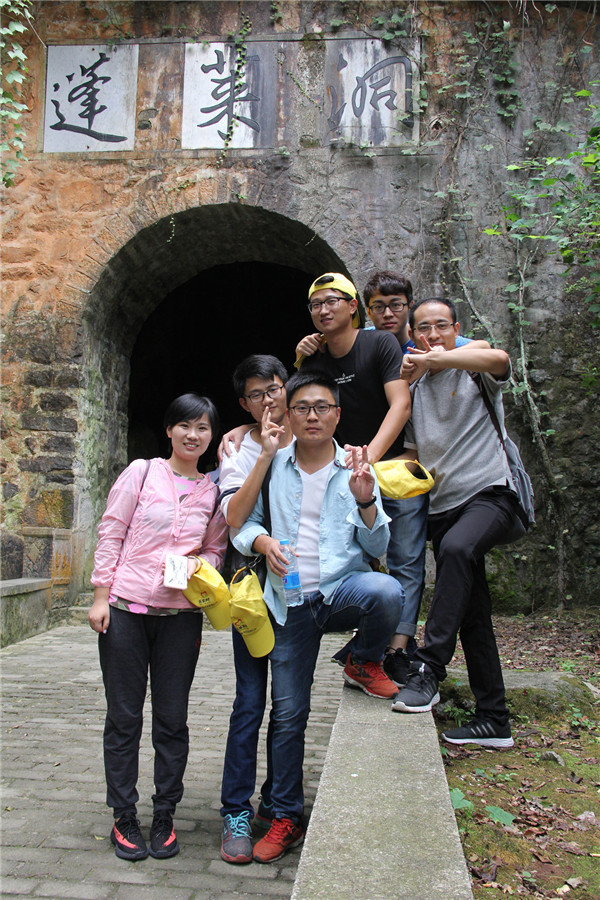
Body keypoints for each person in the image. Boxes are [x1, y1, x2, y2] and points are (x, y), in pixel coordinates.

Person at [233, 370, 403, 863]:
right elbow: (242, 525)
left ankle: (362, 660)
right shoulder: (272, 464)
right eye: (303, 407)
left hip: (339, 591)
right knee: (288, 714)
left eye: (322, 407)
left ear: (337, 414)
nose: (312, 416)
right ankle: (286, 815)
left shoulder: (354, 467)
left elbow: (378, 545)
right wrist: (263, 542)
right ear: (288, 415)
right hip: (289, 604)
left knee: (386, 591)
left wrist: (366, 498)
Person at [298, 270, 488, 689]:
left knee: (405, 557)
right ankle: (368, 648)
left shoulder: (381, 343)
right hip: (345, 476)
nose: (324, 310)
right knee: (355, 558)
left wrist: (368, 458)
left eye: (332, 301)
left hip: (394, 468)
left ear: (352, 307)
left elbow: (400, 405)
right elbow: (294, 408)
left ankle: (398, 649)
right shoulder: (313, 358)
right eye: (316, 304)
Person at [88, 394, 228, 861]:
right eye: (185, 425)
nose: (193, 434)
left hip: (179, 619)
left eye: (203, 428)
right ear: (169, 430)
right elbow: (112, 530)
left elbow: (216, 550)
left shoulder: (213, 492)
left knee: (171, 720)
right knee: (124, 717)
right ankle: (123, 815)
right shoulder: (142, 472)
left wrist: (199, 566)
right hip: (125, 611)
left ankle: (165, 813)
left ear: (211, 436)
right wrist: (100, 596)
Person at [390, 298, 525, 750]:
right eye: (423, 329)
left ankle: (429, 667)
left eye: (441, 326)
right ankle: (494, 719)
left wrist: (437, 358)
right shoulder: (415, 390)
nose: (432, 334)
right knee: (474, 614)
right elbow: (413, 453)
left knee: (456, 549)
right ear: (412, 335)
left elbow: (499, 359)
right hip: (443, 509)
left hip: (491, 494)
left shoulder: (473, 368)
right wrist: (369, 468)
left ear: (456, 328)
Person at [218, 355, 293, 865]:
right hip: (252, 589)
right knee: (249, 700)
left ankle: (278, 801)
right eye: (256, 394)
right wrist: (263, 453)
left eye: (274, 389)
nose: (268, 400)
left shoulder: (311, 432)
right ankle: (235, 811)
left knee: (288, 707)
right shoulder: (238, 448)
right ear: (244, 404)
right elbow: (233, 517)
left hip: (300, 590)